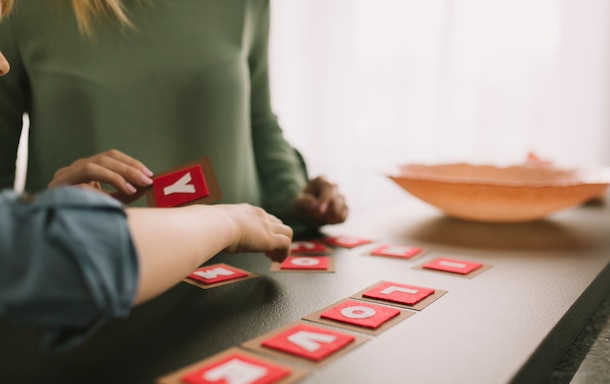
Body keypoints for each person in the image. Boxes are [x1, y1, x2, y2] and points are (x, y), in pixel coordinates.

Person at [0, 0, 293, 352]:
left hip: (235, 290)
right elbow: (46, 249)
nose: (3, 64)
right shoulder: (19, 9)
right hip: (83, 314)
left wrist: (61, 213)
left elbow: (260, 119)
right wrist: (228, 221)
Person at [0, 0, 349, 230]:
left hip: (240, 271)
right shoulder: (15, 7)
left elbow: (257, 123)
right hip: (84, 276)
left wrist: (294, 194)